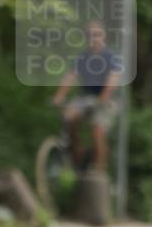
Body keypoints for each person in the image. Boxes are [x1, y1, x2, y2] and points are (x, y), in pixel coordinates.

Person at [51, 21, 121, 171]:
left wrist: (102, 99)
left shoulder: (111, 57)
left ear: (103, 36)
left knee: (97, 131)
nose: (94, 38)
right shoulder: (83, 57)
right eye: (90, 35)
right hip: (86, 97)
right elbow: (70, 76)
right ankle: (79, 158)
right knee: (68, 118)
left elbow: (112, 82)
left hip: (107, 99)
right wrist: (59, 96)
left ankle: (99, 170)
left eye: (97, 34)